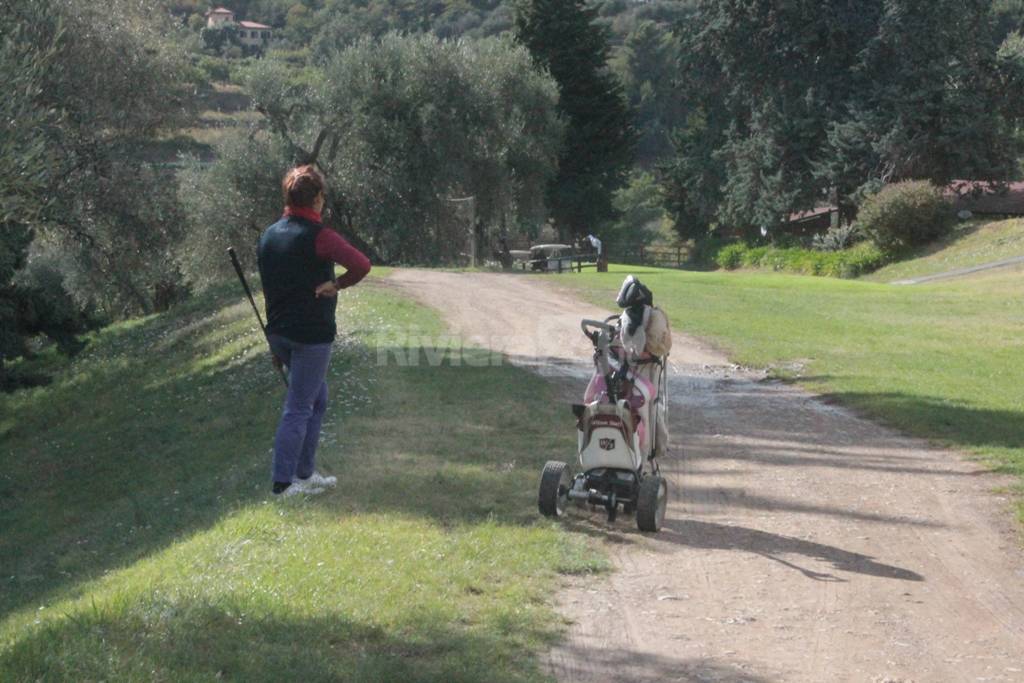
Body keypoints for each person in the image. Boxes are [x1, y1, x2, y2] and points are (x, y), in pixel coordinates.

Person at [258, 164, 371, 497]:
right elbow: (362, 265)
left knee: (316, 398)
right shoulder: (321, 237)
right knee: (299, 406)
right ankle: (283, 484)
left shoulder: (268, 235)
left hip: (278, 331)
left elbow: (271, 288)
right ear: (318, 198)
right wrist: (336, 284)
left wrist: (273, 347)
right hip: (311, 336)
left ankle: (305, 475)